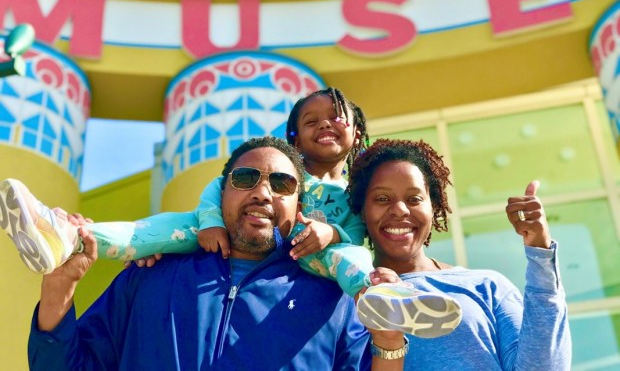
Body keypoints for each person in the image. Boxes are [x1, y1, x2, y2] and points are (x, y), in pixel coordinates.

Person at [1, 87, 462, 337]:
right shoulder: (269, 168)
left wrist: (332, 238)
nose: (325, 123)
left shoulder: (355, 191)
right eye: (311, 120)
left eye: (337, 117)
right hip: (216, 233)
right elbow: (212, 193)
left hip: (314, 259)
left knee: (357, 264)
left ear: (357, 135)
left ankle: (379, 301)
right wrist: (211, 224)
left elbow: (359, 236)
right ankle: (67, 236)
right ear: (293, 139)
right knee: (156, 230)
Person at [26, 137, 409, 371]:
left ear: (299, 205)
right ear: (220, 194)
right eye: (245, 179)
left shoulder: (335, 301)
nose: (262, 192)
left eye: (281, 183)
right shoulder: (149, 274)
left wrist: (390, 344)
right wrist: (59, 287)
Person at [347, 138, 572, 370]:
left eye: (414, 199)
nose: (400, 210)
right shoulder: (348, 298)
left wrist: (541, 252)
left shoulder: (486, 286)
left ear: (433, 209)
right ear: (361, 210)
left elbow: (543, 366)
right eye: (382, 199)